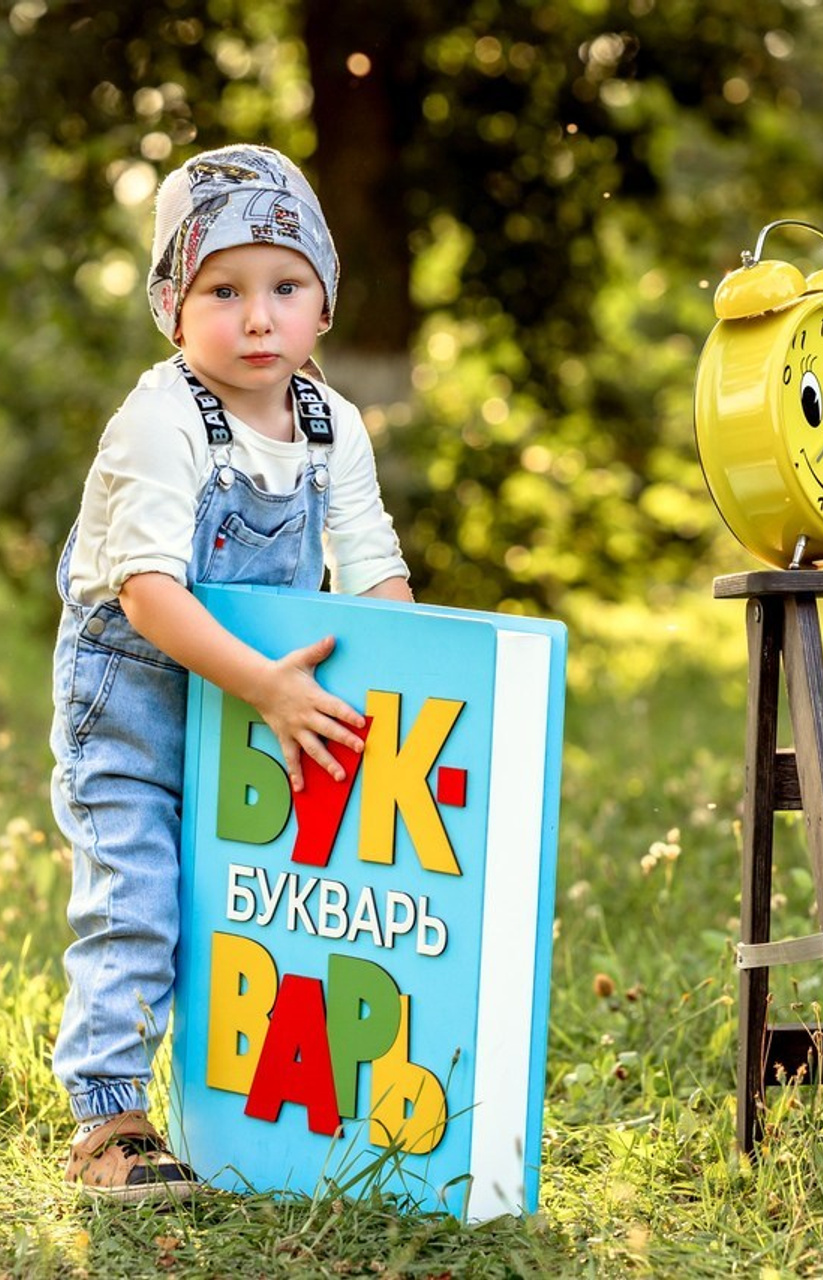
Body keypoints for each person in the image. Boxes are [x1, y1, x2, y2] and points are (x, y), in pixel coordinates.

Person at [49, 143, 414, 1201]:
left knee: (255, 901)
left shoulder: (331, 424)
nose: (258, 319)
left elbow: (374, 568)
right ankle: (110, 1120)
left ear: (324, 303)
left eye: (285, 287)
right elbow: (146, 593)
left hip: (262, 701)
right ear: (173, 308)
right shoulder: (159, 419)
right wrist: (263, 686)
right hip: (135, 701)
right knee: (140, 898)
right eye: (223, 291)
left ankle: (262, 1099)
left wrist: (410, 692)